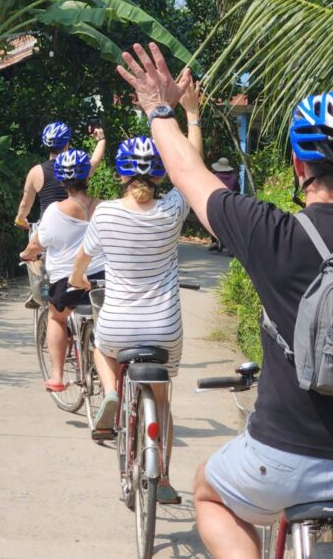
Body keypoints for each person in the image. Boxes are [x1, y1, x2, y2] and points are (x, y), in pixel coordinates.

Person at [115, 43, 333, 559]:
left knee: (210, 492)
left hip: (280, 461)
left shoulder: (270, 232)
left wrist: (161, 109)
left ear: (297, 163)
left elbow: (186, 173)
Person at [69, 110, 201, 505]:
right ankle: (162, 481)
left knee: (100, 347)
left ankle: (110, 393)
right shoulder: (172, 210)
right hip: (164, 326)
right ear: (160, 175)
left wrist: (79, 280)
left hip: (118, 324)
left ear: (122, 175)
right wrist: (192, 117)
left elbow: (81, 262)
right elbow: (191, 168)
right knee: (162, 403)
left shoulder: (106, 211)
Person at [19, 149, 106, 392]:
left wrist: (26, 254)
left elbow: (37, 243)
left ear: (61, 180)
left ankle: (57, 376)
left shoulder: (54, 211)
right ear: (87, 178)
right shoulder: (105, 208)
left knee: (57, 317)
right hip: (104, 281)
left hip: (68, 283)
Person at [14, 120, 106, 230]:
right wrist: (101, 139)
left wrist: (20, 219)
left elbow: (25, 204)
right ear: (67, 143)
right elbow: (95, 159)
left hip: (47, 230)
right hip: (75, 228)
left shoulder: (36, 172)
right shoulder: (77, 168)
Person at [208, 157, 237, 252]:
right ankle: (230, 245)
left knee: (212, 221)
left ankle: (215, 241)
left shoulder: (214, 176)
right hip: (230, 203)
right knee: (230, 224)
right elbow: (237, 190)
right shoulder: (233, 177)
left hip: (216, 201)